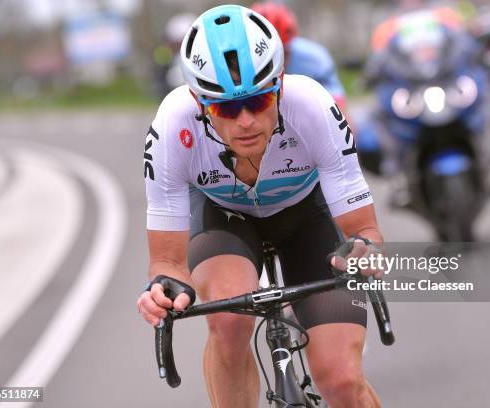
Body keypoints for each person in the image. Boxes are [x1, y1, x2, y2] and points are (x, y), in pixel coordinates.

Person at [137, 5, 384, 407]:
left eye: (259, 100)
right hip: (224, 218)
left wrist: (364, 250)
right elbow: (166, 262)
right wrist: (164, 288)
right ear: (199, 101)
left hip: (307, 213)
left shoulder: (312, 105)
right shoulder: (173, 124)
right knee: (229, 321)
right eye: (226, 108)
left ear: (280, 86)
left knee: (340, 380)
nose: (246, 120)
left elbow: (363, 231)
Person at [251, 1, 349, 114]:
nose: (278, 61)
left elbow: (338, 107)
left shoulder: (315, 59)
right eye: (268, 56)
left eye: (283, 52)